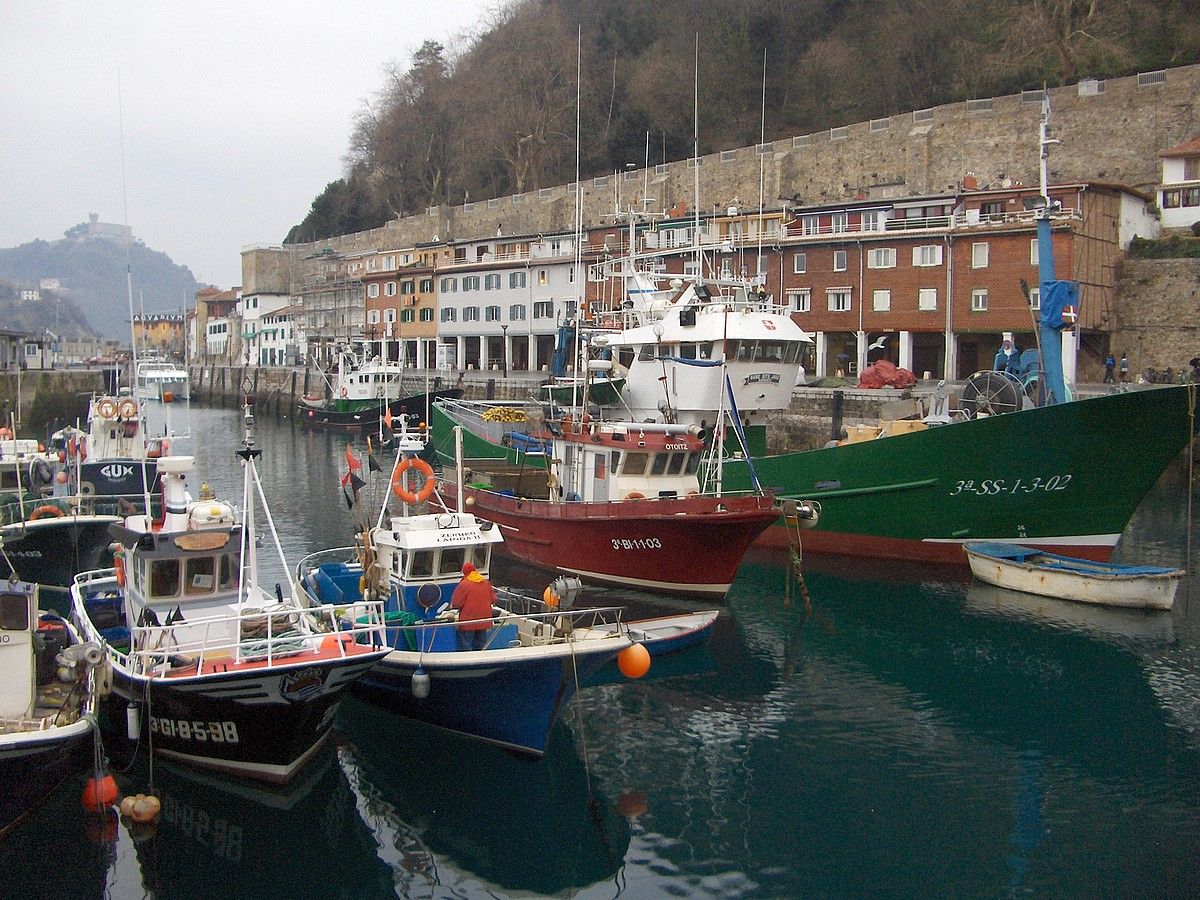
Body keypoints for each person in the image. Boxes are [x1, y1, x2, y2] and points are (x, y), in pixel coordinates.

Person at [451, 562, 496, 651]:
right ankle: (482, 658)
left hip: (468, 620)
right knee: (482, 642)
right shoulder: (485, 582)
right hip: (484, 619)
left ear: (464, 572)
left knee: (466, 642)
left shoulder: (464, 584)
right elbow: (494, 599)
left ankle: (468, 660)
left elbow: (456, 603)